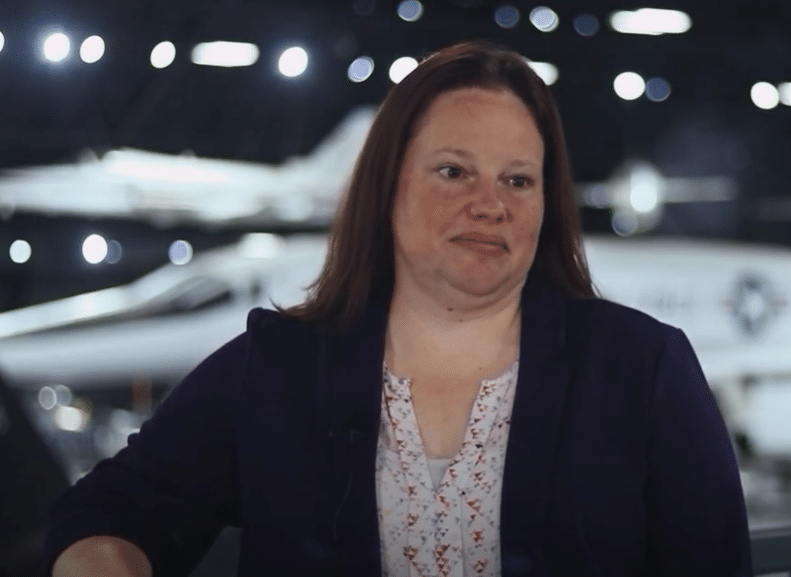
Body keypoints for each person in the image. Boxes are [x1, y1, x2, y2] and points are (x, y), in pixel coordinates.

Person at [44, 40, 753, 577]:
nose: (489, 203)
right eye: (453, 171)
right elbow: (114, 509)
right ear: (387, 186)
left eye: (518, 179)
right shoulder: (277, 367)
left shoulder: (643, 368)